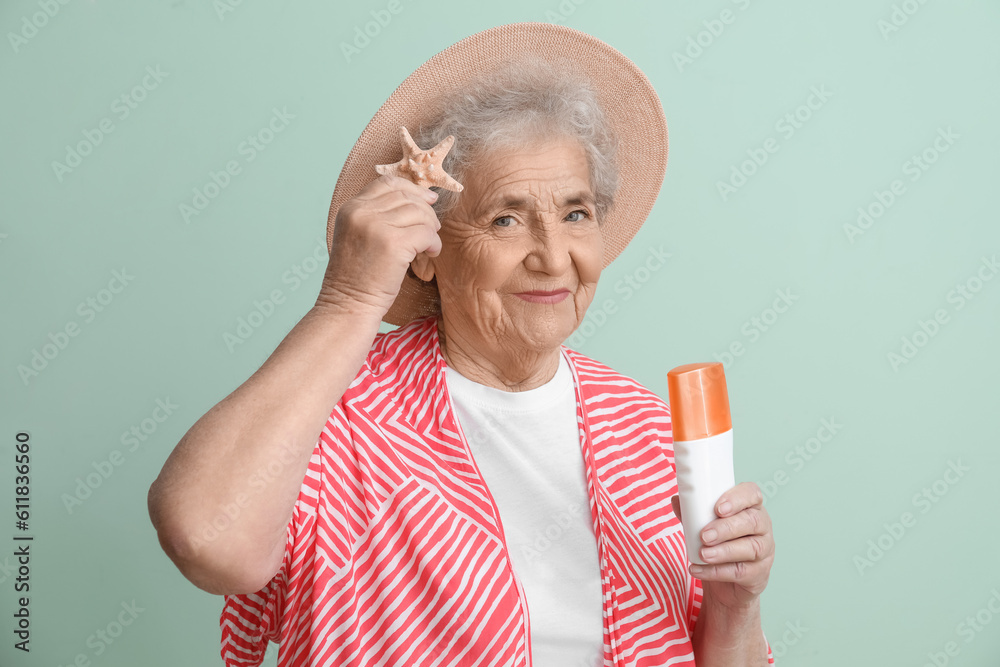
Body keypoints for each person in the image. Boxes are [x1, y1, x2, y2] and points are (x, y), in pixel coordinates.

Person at [147, 23, 776, 667]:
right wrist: (350, 300)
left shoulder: (643, 426)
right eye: (505, 218)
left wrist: (734, 608)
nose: (553, 257)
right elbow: (205, 539)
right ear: (426, 251)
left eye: (575, 213)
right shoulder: (338, 411)